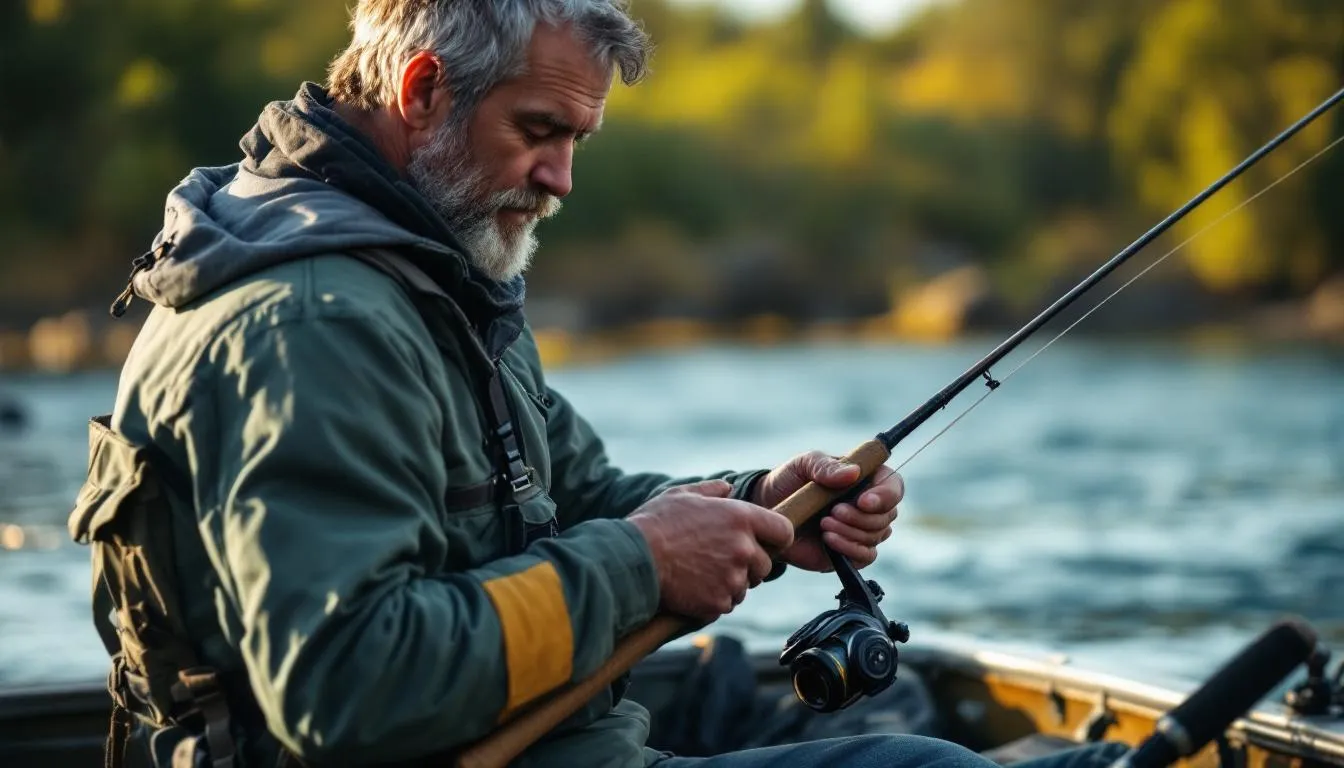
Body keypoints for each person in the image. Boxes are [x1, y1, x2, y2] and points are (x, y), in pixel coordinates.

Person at [70, 3, 1123, 768]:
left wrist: (759, 508)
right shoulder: (315, 323)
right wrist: (642, 563)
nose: (563, 179)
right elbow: (344, 686)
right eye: (539, 132)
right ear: (423, 88)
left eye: (577, 140)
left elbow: (571, 492)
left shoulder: (425, 269)